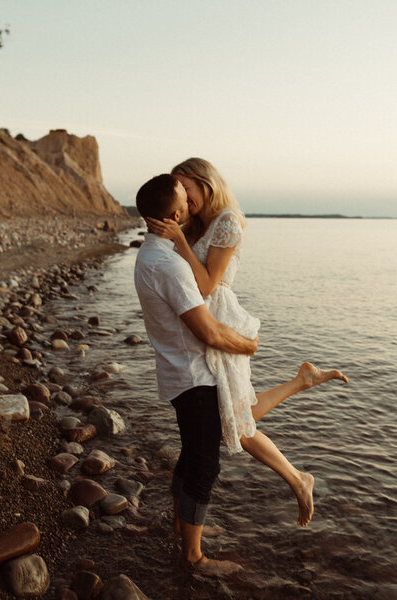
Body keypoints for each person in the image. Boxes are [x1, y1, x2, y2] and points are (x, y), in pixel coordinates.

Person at [145, 158, 348, 531]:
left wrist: (178, 241)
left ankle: (297, 475)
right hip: (202, 323)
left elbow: (206, 285)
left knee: (232, 420)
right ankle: (301, 389)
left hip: (219, 321)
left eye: (185, 187)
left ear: (204, 182)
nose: (183, 198)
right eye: (177, 192)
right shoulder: (198, 223)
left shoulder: (227, 220)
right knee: (233, 417)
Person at [134, 173, 258, 576]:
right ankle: (193, 555)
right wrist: (248, 345)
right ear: (173, 214)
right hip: (195, 378)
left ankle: (184, 526)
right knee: (204, 465)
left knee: (190, 458)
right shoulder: (169, 266)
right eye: (184, 203)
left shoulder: (148, 256)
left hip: (177, 374)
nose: (190, 205)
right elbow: (206, 330)